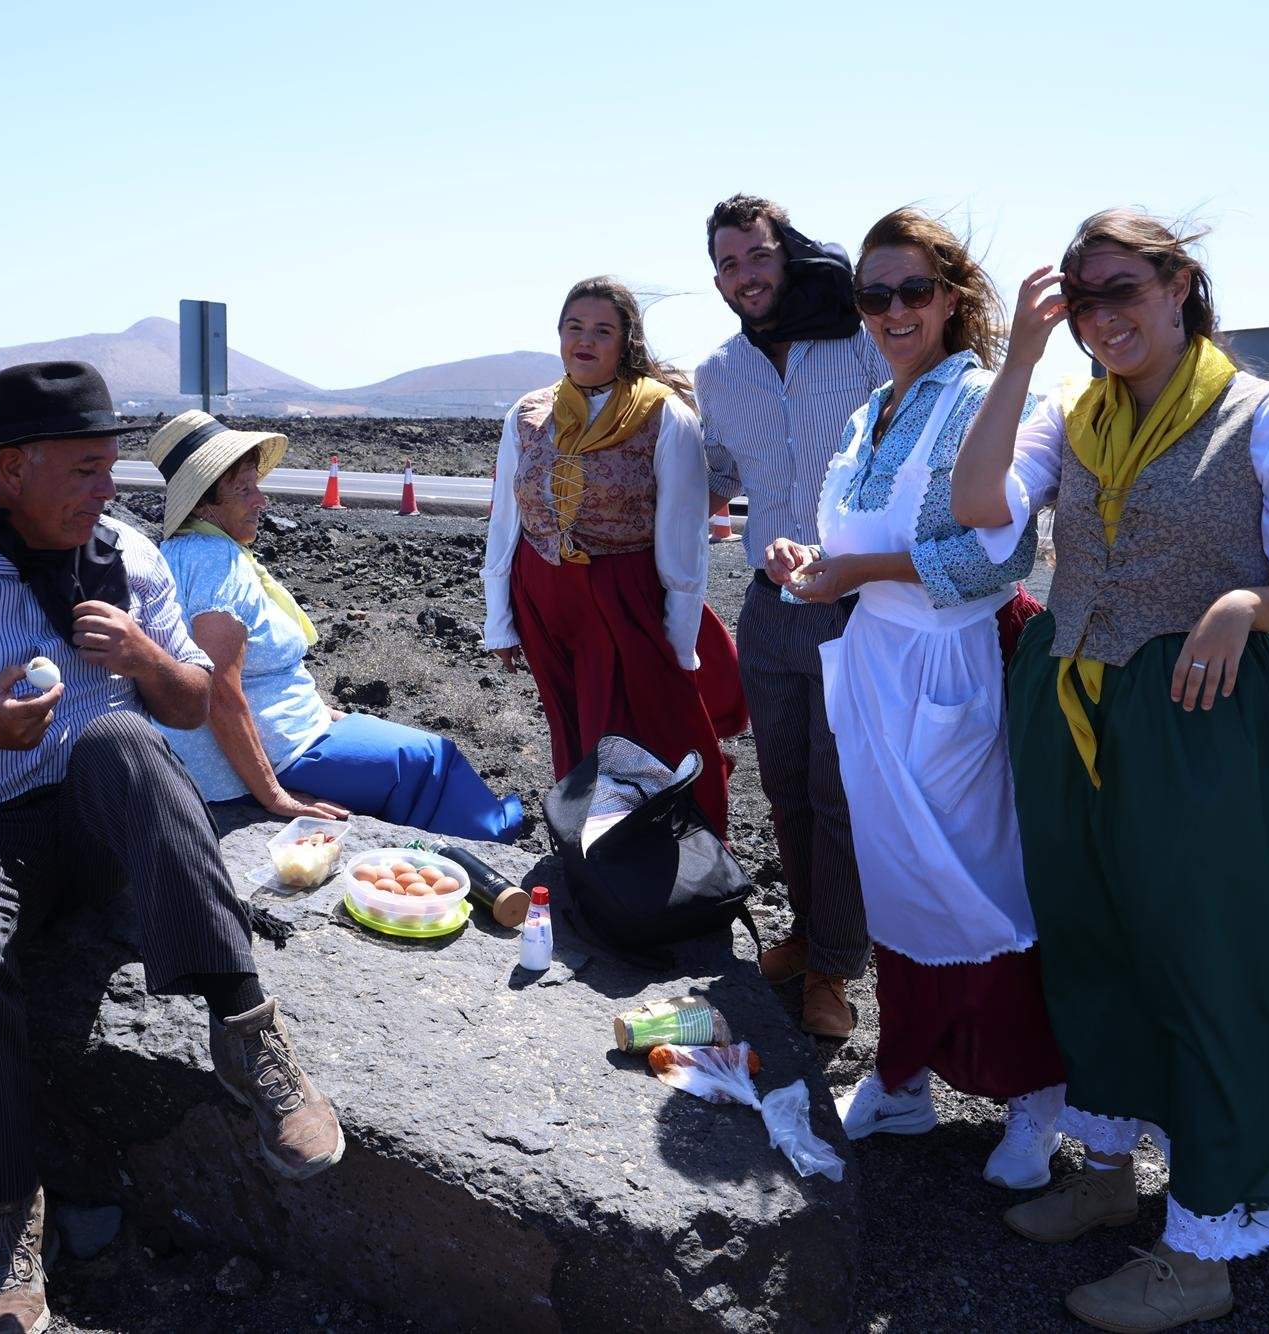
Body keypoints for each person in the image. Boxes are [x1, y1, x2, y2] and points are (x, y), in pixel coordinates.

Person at [949, 212, 1269, 1331]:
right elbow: (977, 509)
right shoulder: (1072, 416)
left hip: (1198, 719)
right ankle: (1109, 1168)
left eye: (1121, 288)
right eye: (1080, 297)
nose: (1101, 316)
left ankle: (1201, 1243)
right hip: (1068, 707)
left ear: (1180, 286)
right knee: (1091, 935)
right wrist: (1020, 353)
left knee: (1208, 957)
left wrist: (1246, 602)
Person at [0, 362, 345, 1334]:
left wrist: (146, 659)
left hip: (108, 824)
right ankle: (10, 1219)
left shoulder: (129, 558)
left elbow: (193, 701)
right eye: (88, 469)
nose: (110, 490)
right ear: (12, 468)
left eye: (112, 467)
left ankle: (247, 1034)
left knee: (121, 737)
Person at [769, 208, 1067, 1188]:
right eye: (873, 294)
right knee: (896, 880)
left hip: (945, 668)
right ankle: (902, 1075)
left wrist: (856, 569)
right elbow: (850, 542)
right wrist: (812, 562)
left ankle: (1033, 1094)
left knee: (973, 882)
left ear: (949, 297)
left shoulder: (983, 397)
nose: (892, 310)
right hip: (876, 666)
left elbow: (995, 555)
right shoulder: (869, 417)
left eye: (911, 290)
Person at [694, 194, 890, 1036]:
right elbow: (711, 473)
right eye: (730, 264)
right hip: (767, 609)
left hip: (859, 602)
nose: (746, 276)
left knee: (838, 789)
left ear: (788, 253)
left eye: (758, 256)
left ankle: (836, 971)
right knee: (783, 788)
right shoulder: (718, 373)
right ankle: (808, 933)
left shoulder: (859, 340)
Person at [149, 410, 523, 840]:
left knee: (405, 750)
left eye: (257, 485)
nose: (261, 500)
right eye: (244, 489)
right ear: (201, 503)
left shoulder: (180, 551)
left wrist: (318, 709)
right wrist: (274, 795)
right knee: (431, 760)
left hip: (285, 732)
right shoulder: (217, 563)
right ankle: (495, 856)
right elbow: (217, 690)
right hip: (282, 753)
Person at [480, 276, 742, 836]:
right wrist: (499, 623)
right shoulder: (527, 414)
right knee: (571, 732)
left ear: (625, 341)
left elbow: (683, 539)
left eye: (603, 330)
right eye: (575, 327)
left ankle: (667, 857)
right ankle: (585, 851)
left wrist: (680, 642)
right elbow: (507, 520)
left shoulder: (663, 415)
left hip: (625, 597)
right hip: (542, 594)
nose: (586, 340)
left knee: (640, 730)